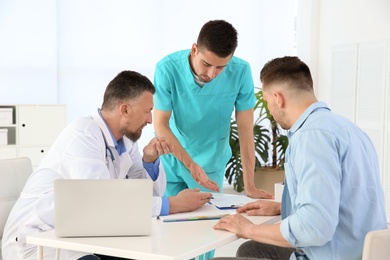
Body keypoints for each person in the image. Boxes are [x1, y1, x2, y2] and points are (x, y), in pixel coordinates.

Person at [2, 70, 212, 260]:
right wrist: (175, 204)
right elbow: (103, 202)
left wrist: (149, 160)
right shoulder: (83, 135)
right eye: (147, 111)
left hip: (80, 235)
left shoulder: (125, 142)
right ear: (125, 109)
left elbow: (148, 196)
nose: (150, 120)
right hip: (37, 240)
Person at [213, 56, 387, 260]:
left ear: (278, 98)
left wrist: (248, 229)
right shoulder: (348, 129)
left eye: (268, 102)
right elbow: (345, 197)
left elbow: (314, 227)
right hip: (360, 251)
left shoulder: (311, 136)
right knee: (251, 250)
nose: (270, 109)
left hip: (330, 255)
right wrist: (284, 207)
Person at [153, 19, 273, 199]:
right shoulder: (167, 69)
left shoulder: (241, 72)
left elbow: (246, 129)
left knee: (205, 219)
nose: (211, 74)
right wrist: (190, 164)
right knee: (165, 217)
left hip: (209, 162)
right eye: (207, 64)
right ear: (194, 49)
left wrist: (250, 187)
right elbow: (160, 125)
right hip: (171, 157)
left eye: (221, 67)